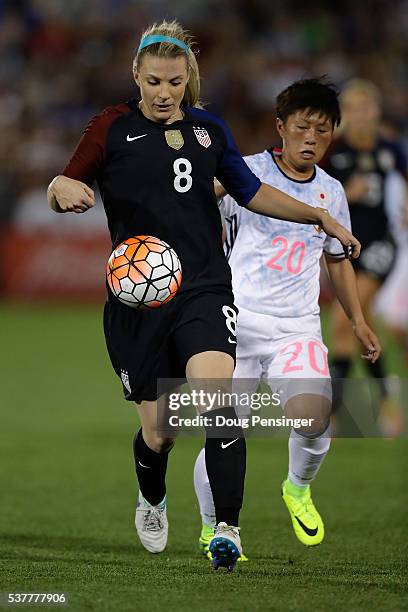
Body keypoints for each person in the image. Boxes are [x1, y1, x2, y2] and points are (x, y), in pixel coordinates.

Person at [47, 22, 359, 572]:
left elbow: (253, 191)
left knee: (220, 404)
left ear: (187, 78)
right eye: (152, 82)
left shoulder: (209, 131)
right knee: (160, 433)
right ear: (135, 79)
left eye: (173, 81)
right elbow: (66, 183)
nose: (163, 93)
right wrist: (62, 189)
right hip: (138, 299)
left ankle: (227, 531)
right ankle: (152, 498)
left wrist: (317, 214)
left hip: (205, 290)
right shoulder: (110, 127)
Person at [193, 78, 381, 558]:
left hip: (296, 325)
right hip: (234, 321)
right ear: (281, 127)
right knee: (224, 428)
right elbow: (191, 202)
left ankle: (297, 488)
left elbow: (337, 260)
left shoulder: (332, 193)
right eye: (303, 127)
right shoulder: (244, 173)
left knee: (315, 417)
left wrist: (357, 321)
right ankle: (213, 524)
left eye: (323, 130)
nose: (312, 138)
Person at [323, 79, 407, 436]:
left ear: (375, 112)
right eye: (353, 109)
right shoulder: (333, 152)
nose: (360, 116)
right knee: (356, 327)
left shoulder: (390, 149)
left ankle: (331, 415)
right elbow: (317, 194)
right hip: (343, 248)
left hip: (381, 245)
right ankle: (387, 398)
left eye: (366, 108)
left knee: (345, 320)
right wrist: (346, 193)